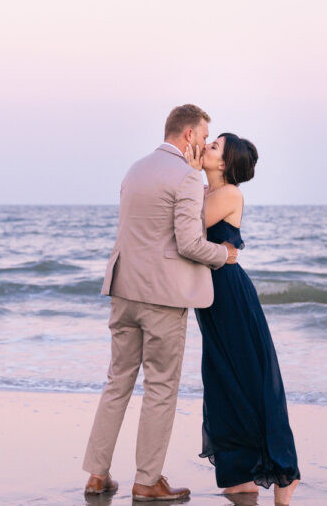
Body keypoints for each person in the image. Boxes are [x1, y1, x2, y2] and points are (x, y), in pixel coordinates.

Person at [82, 104, 238, 502]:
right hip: (162, 298)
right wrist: (223, 254)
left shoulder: (135, 169)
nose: (204, 144)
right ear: (188, 135)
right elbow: (188, 243)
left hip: (123, 291)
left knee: (117, 382)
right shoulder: (185, 178)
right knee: (161, 388)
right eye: (203, 136)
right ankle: (147, 480)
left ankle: (97, 475)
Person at [195, 133, 300, 504]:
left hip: (230, 295)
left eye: (214, 147)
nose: (206, 147)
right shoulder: (204, 191)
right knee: (223, 382)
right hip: (209, 298)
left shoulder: (228, 194)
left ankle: (285, 471)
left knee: (251, 381)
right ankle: (240, 474)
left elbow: (186, 231)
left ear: (223, 164)